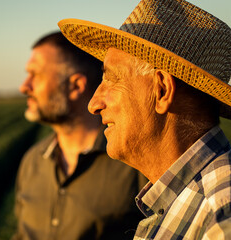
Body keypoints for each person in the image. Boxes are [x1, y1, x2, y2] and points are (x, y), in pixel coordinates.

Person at [58, 0, 231, 239]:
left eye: (112, 79)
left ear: (162, 91)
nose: (93, 104)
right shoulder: (188, 200)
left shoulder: (230, 215)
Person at [13, 31, 147, 240]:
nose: (24, 86)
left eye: (35, 75)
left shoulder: (134, 164)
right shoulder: (32, 161)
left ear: (76, 86)